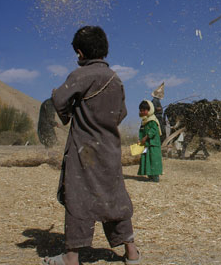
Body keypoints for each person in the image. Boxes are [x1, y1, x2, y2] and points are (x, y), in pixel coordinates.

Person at [45, 26, 140, 265]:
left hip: (83, 150)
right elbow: (121, 113)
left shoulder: (80, 75)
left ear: (79, 52)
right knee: (114, 195)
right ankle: (132, 252)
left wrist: (61, 97)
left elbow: (59, 100)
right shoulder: (115, 79)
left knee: (78, 196)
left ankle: (71, 256)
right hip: (110, 149)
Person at [137, 100, 163, 182]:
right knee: (146, 159)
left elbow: (154, 130)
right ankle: (150, 175)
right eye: (141, 110)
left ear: (149, 110)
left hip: (153, 144)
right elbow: (141, 131)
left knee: (154, 159)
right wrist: (140, 139)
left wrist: (146, 137)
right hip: (146, 144)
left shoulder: (153, 120)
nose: (142, 112)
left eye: (144, 110)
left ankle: (155, 177)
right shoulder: (144, 120)